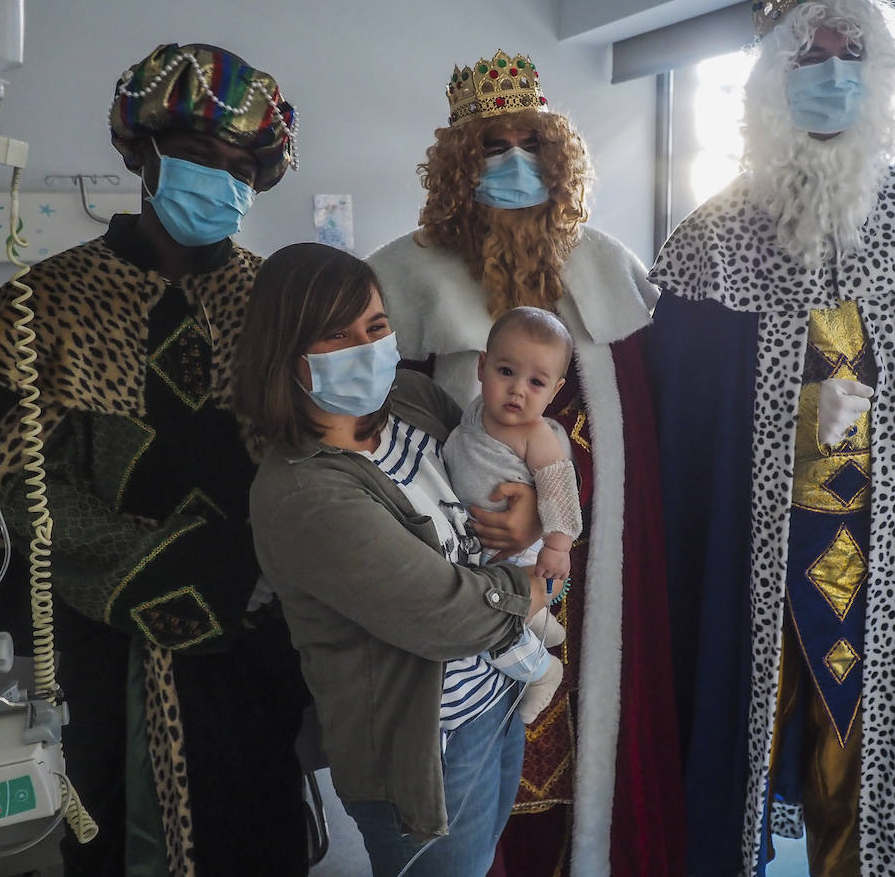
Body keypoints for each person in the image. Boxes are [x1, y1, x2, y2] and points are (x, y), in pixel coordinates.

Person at [650, 0, 895, 876]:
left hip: (887, 550)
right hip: (752, 546)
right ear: (771, 77)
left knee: (865, 754)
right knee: (739, 736)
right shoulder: (710, 240)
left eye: (852, 53)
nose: (832, 71)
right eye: (811, 53)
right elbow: (682, 430)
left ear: (881, 76)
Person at [0, 43, 311, 876]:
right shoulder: (42, 308)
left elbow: (324, 467)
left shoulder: (277, 305)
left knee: (260, 827)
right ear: (142, 154)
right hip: (105, 657)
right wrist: (183, 568)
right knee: (119, 837)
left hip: (260, 647)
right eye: (194, 158)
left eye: (239, 169)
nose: (220, 181)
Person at [367, 50, 686, 876]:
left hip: (586, 571)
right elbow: (378, 439)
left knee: (587, 730)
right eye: (490, 148)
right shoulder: (403, 275)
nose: (514, 166)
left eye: (530, 145)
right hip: (466, 561)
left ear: (558, 155)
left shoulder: (608, 265)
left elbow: (642, 440)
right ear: (458, 163)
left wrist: (556, 524)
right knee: (475, 750)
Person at [233, 243, 548, 877]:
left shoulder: (409, 398)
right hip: (428, 746)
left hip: (494, 695)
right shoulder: (304, 492)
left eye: (375, 328)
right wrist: (534, 587)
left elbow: (491, 470)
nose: (365, 348)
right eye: (333, 336)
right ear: (282, 354)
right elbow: (448, 617)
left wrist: (533, 507)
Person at [444, 306, 583, 723]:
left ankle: (542, 671)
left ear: (554, 391)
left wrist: (558, 546)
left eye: (535, 382)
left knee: (492, 623)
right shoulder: (476, 410)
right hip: (477, 539)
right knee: (497, 600)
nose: (517, 391)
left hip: (516, 551)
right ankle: (542, 625)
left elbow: (560, 490)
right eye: (506, 372)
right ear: (483, 366)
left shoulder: (536, 435)